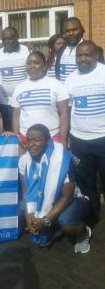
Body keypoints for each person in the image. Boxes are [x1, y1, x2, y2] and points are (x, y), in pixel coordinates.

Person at [19, 124, 91, 253]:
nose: (31, 144)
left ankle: (83, 232)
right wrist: (28, 214)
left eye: (36, 140)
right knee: (21, 210)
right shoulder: (24, 161)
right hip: (47, 201)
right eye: (29, 140)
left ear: (47, 142)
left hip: (74, 199)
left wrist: (45, 220)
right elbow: (26, 191)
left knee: (66, 222)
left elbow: (66, 197)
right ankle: (52, 227)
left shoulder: (61, 159)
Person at [65, 40, 105, 219]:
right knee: (86, 182)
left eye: (87, 54)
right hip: (79, 140)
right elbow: (67, 109)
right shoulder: (70, 78)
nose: (83, 59)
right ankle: (92, 214)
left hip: (102, 137)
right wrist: (66, 135)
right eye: (79, 55)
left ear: (95, 55)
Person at [12, 51, 69, 148]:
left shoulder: (55, 84)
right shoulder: (19, 88)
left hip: (52, 136)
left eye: (36, 63)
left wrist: (63, 138)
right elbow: (16, 114)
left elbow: (64, 113)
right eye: (28, 63)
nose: (32, 66)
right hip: (26, 138)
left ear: (44, 65)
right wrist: (17, 136)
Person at [0, 27, 31, 132]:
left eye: (9, 38)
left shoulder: (26, 51)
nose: (6, 41)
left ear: (17, 37)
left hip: (23, 99)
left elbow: (30, 74)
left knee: (24, 128)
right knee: (9, 131)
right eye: (4, 39)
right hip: (5, 102)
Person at [55, 17, 104, 82]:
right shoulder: (61, 49)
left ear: (81, 30)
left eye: (74, 30)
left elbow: (100, 72)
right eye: (67, 31)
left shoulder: (94, 49)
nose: (71, 33)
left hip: (83, 89)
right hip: (64, 90)